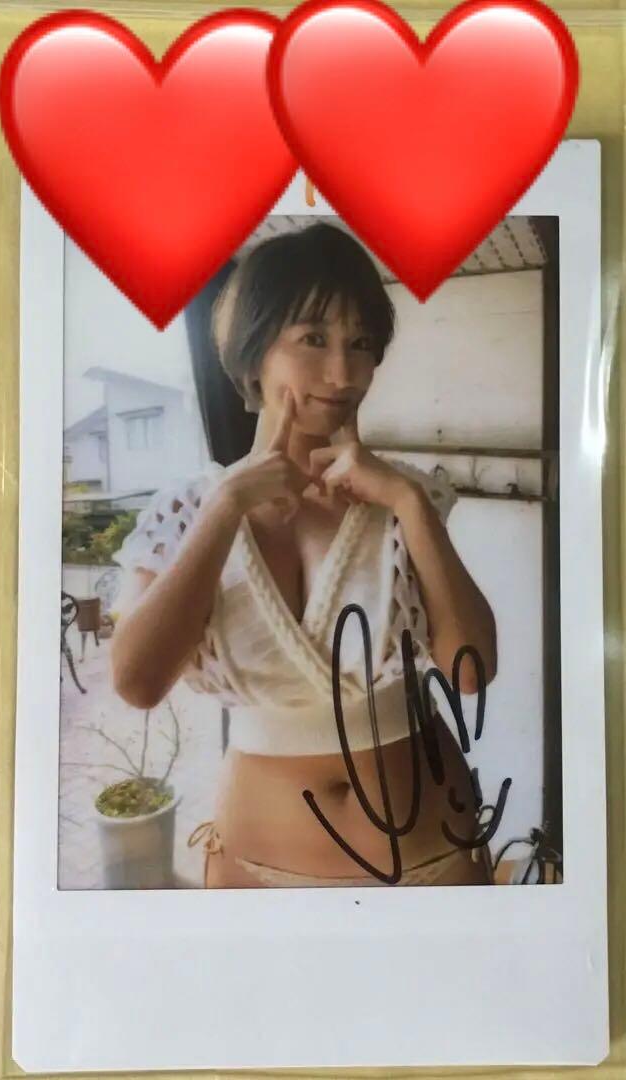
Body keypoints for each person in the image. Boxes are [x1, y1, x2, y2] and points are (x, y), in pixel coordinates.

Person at [109, 222, 498, 887]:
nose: (343, 374)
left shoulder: (404, 498)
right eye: (313, 339)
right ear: (253, 351)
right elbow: (137, 682)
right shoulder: (189, 509)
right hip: (255, 869)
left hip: (432, 861)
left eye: (361, 344)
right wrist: (225, 509)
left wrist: (407, 502)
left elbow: (471, 673)